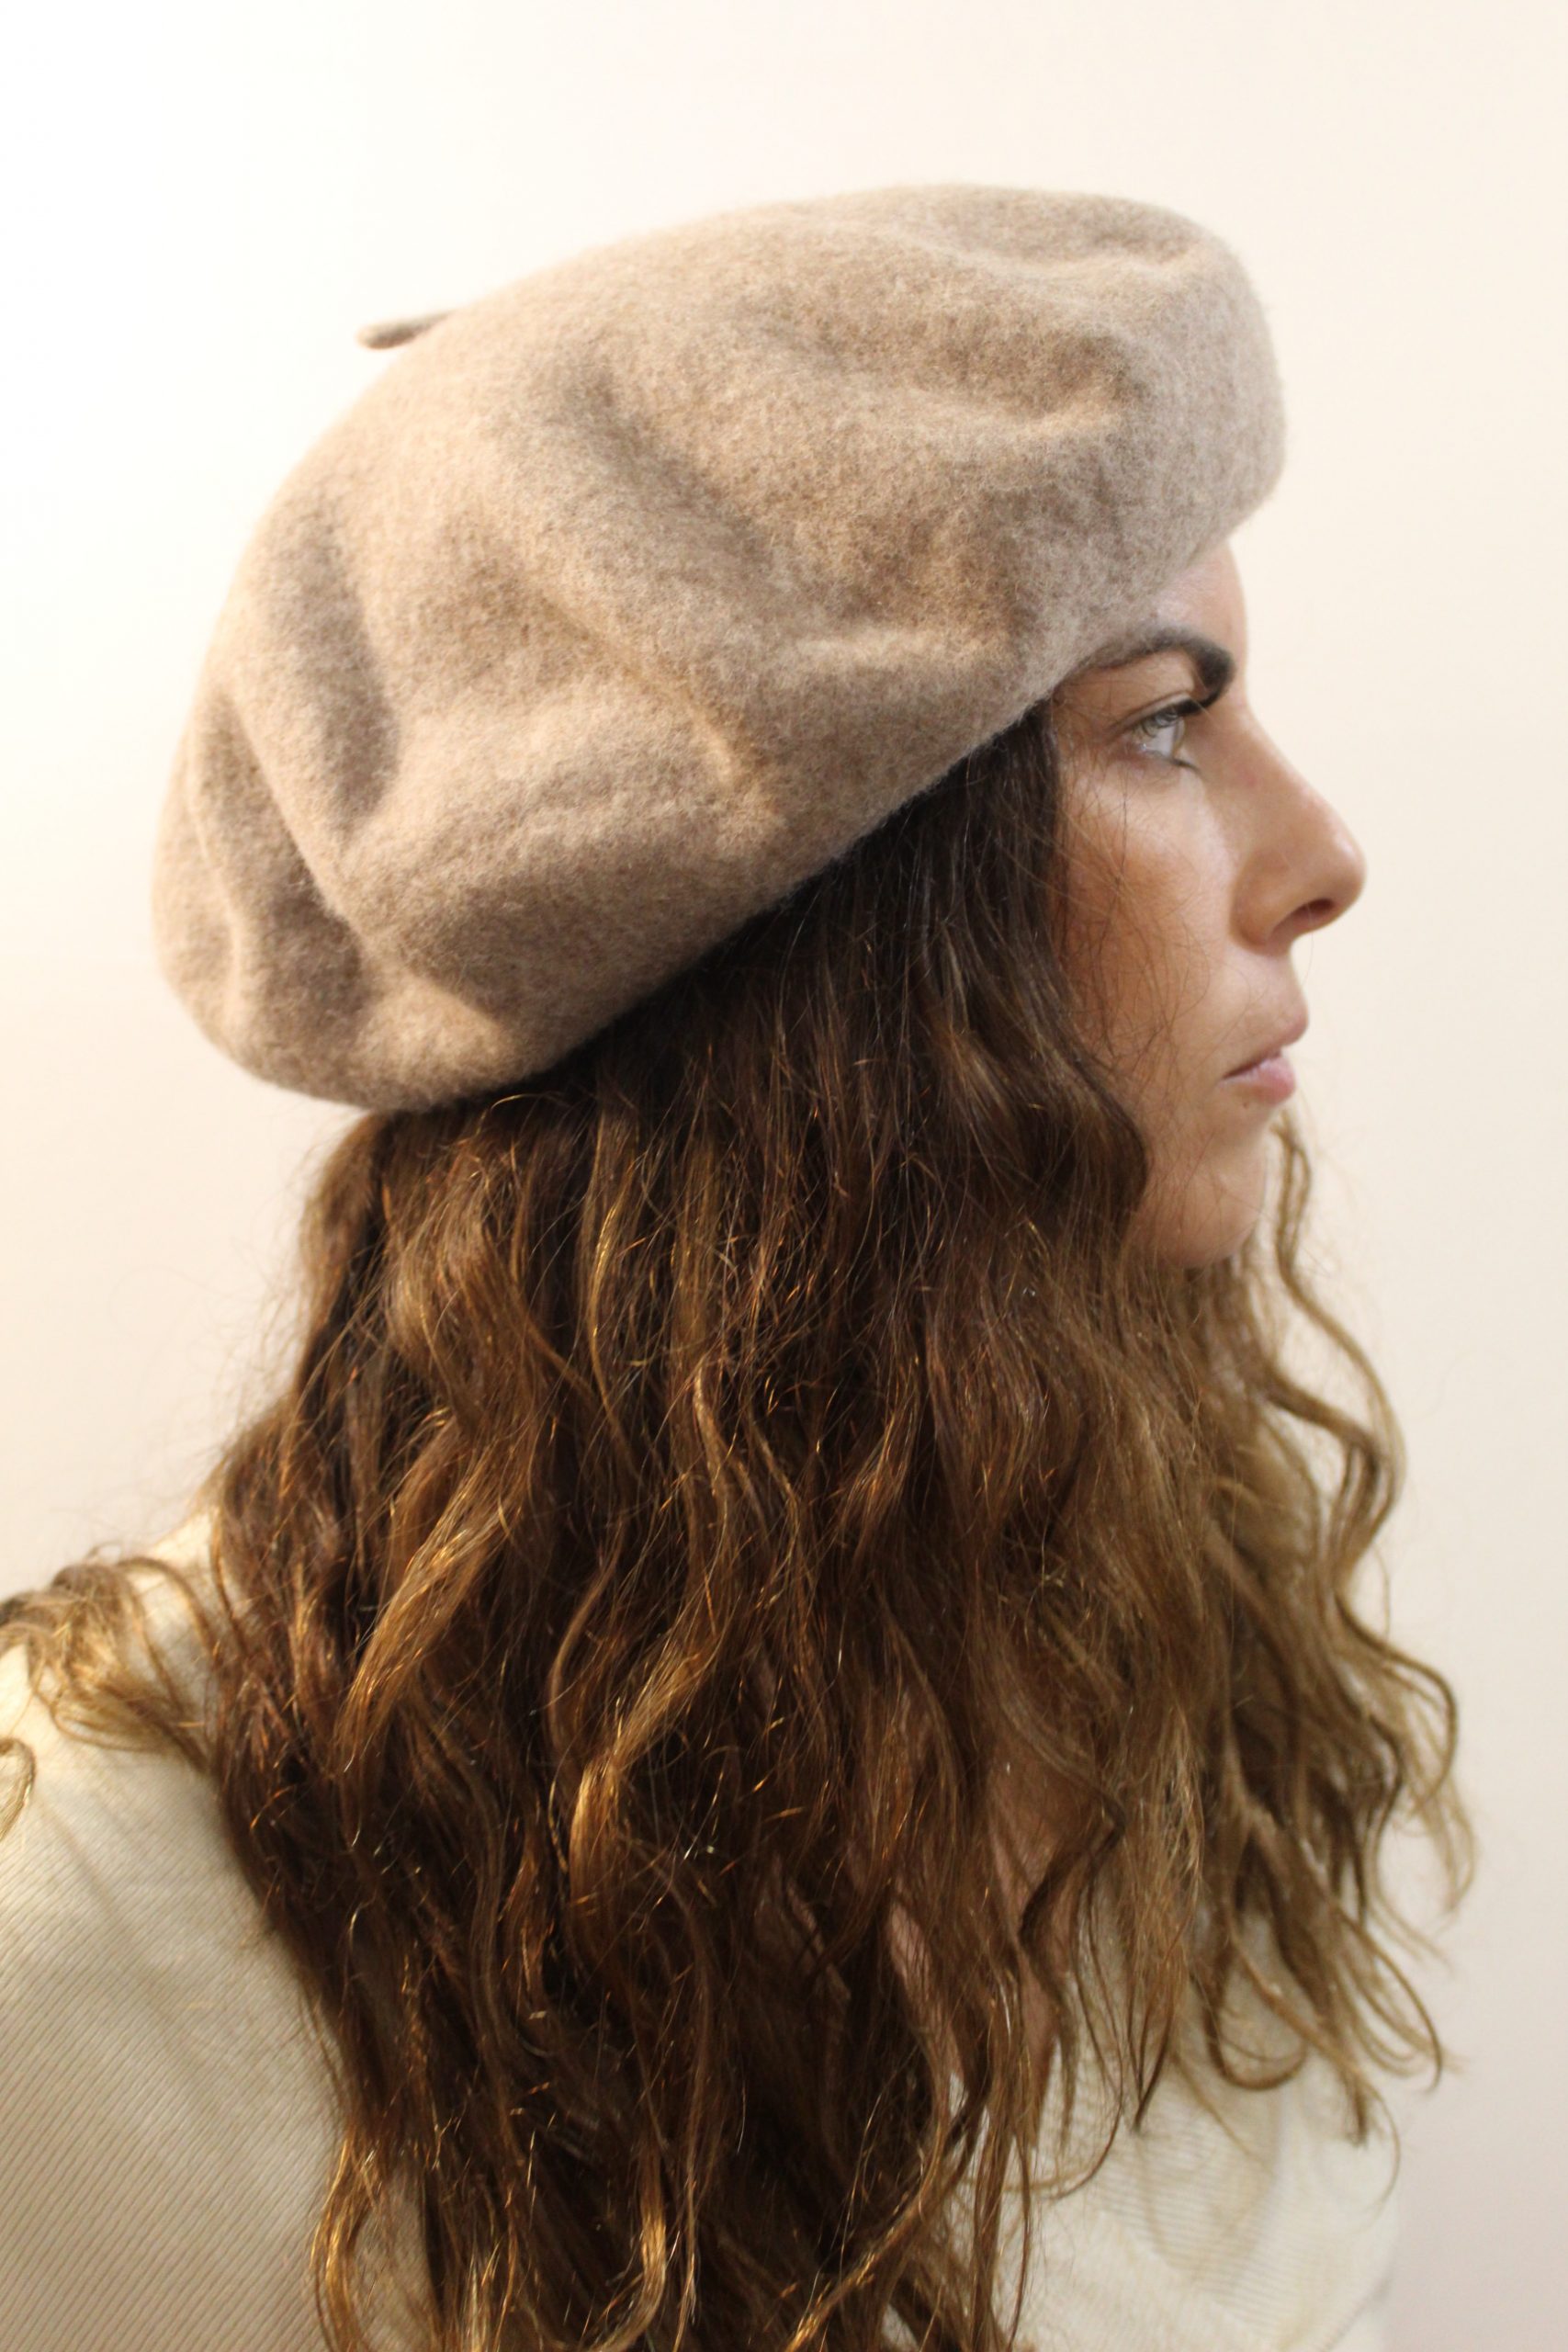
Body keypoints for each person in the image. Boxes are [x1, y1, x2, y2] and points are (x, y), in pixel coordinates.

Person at [0, 185, 1472, 2352]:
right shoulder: (79, 1943)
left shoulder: (1132, 1629)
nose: (1319, 854)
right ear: (828, 932)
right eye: (1161, 722)